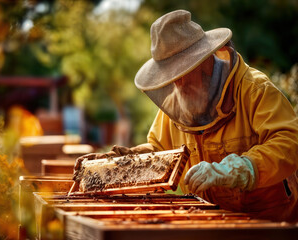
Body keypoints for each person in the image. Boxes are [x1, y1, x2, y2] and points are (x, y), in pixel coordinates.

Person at [74, 10, 298, 222]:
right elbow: (159, 152)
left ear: (205, 62)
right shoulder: (176, 104)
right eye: (169, 75)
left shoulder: (254, 89)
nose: (177, 84)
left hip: (272, 222)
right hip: (216, 222)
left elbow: (289, 142)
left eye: (181, 72)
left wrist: (241, 168)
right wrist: (118, 165)